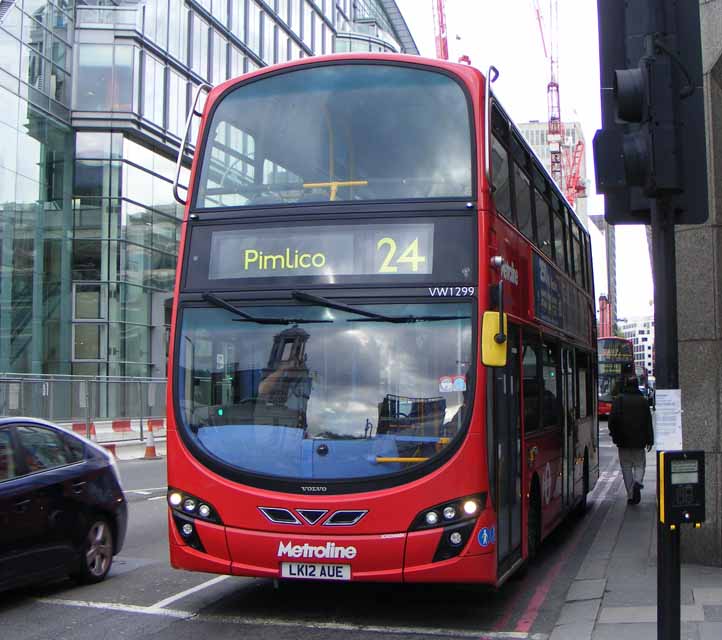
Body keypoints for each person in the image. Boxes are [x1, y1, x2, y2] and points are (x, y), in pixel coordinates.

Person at [608, 373, 654, 505]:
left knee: (626, 467)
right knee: (640, 464)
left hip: (623, 441)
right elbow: (648, 422)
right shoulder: (643, 401)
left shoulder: (619, 400)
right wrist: (650, 440)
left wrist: (614, 435)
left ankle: (630, 495)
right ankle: (638, 482)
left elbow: (612, 421)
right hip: (639, 441)